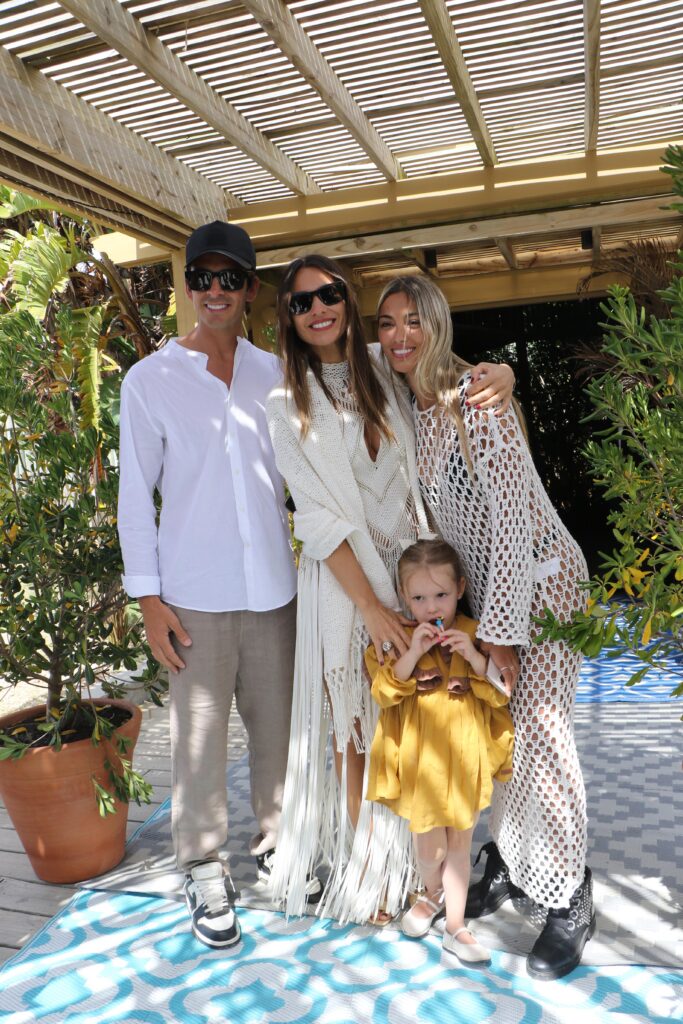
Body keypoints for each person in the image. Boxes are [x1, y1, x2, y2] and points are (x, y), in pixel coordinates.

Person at [264, 255, 515, 924]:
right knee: (356, 732)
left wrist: (502, 373)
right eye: (300, 302)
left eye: (328, 294)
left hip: (415, 580)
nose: (318, 309)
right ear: (288, 318)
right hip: (347, 587)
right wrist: (373, 607)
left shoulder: (381, 363)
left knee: (411, 720)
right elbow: (316, 519)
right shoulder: (284, 403)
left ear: (346, 300)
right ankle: (372, 878)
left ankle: (422, 876)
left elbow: (440, 363)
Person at [376, 275, 594, 980]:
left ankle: (570, 899)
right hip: (491, 597)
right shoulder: (416, 409)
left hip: (542, 588)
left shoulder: (475, 396)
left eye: (414, 320)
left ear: (437, 324)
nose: (400, 335)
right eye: (387, 323)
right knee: (494, 735)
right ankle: (508, 860)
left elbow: (512, 519)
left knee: (541, 737)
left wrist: (497, 633)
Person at [117, 221, 308, 950]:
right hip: (192, 596)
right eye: (202, 277)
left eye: (230, 278)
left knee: (278, 735)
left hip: (274, 590)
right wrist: (148, 599)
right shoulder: (149, 381)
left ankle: (278, 844)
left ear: (251, 289)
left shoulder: (276, 373)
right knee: (197, 747)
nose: (215, 290)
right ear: (188, 285)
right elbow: (135, 500)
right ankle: (201, 866)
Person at [365, 539, 514, 965]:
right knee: (431, 850)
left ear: (460, 589)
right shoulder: (399, 637)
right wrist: (414, 651)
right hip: (423, 765)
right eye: (418, 598)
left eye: (441, 595)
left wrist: (476, 660)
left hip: (466, 757)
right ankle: (431, 893)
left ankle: (455, 926)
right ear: (403, 596)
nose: (431, 607)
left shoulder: (476, 634)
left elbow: (501, 695)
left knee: (460, 846)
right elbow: (383, 693)